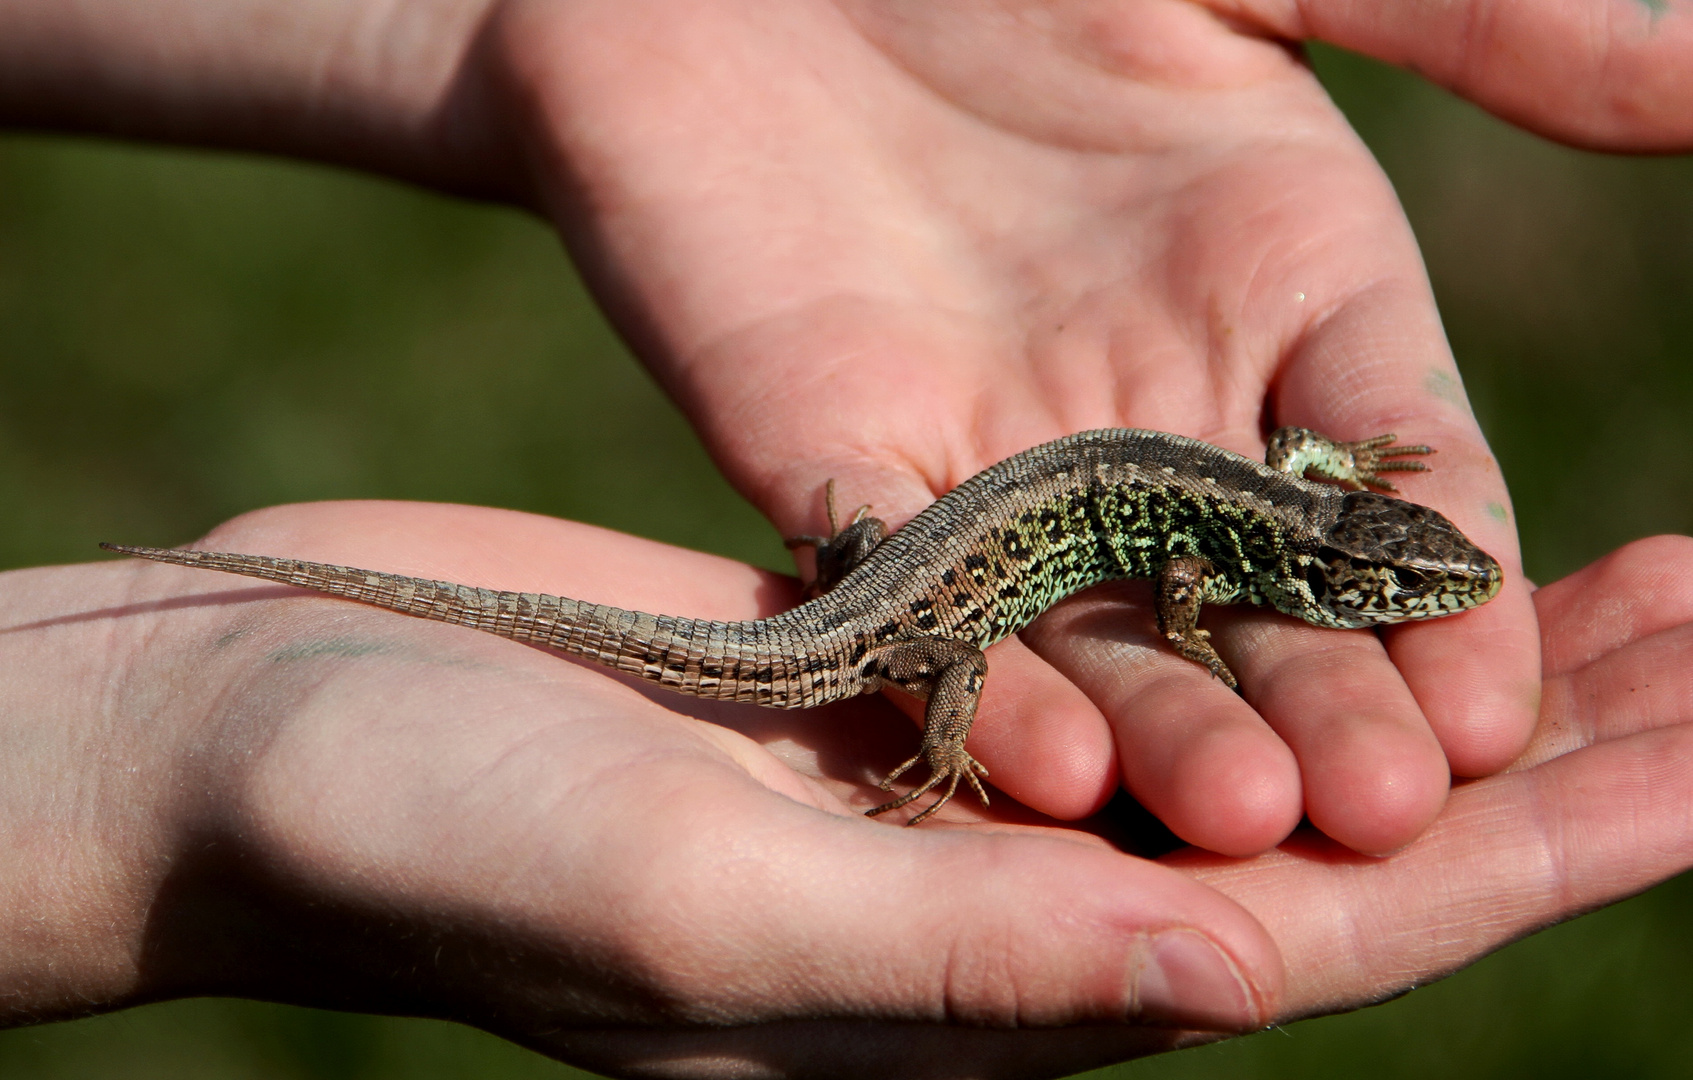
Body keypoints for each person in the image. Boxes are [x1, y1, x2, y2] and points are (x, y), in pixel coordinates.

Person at [0, 1, 1688, 1076]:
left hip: (898, 560)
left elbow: (1292, 482)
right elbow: (1182, 579)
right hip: (895, 621)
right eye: (1398, 577)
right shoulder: (1240, 553)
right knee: (949, 681)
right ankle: (939, 737)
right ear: (1332, 565)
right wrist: (144, 729)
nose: (1421, 587)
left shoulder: (1293, 509)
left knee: (911, 607)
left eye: (1401, 571)